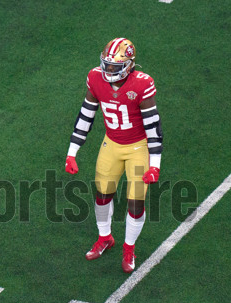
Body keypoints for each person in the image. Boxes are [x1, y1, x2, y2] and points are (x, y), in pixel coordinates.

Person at [64, 37, 163, 273]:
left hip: (138, 147)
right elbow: (86, 115)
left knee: (135, 202)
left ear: (129, 65)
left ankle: (129, 248)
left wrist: (155, 164)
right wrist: (72, 153)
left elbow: (153, 128)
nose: (108, 70)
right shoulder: (95, 78)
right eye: (106, 65)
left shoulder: (142, 84)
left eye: (114, 67)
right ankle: (105, 237)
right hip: (112, 143)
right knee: (102, 195)